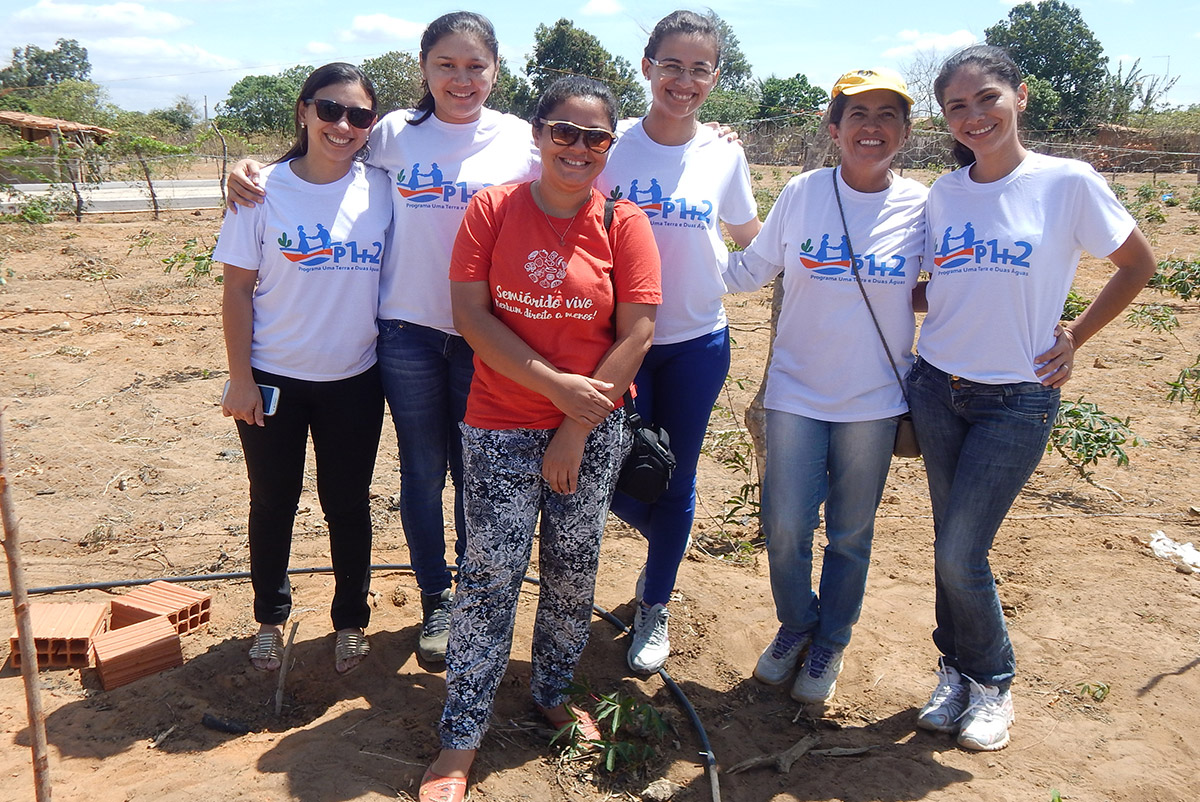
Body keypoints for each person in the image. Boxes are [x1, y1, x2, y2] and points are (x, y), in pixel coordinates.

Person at [226, 12, 539, 664]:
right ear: (423, 70)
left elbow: (595, 147)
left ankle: (477, 596)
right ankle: (436, 601)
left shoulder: (518, 139)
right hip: (406, 336)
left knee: (476, 476)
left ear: (495, 71)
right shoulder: (394, 134)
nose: (461, 78)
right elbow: (313, 166)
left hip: (486, 336)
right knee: (421, 475)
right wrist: (244, 169)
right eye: (445, 65)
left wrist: (708, 132)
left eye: (475, 65)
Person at [418, 76, 661, 802]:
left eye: (595, 137)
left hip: (591, 431)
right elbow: (471, 315)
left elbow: (639, 331)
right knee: (489, 578)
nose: (579, 148)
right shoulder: (493, 209)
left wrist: (573, 428)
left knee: (570, 571)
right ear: (538, 133)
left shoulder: (625, 223)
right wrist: (556, 391)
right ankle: (460, 737)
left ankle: (552, 691)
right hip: (498, 423)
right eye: (564, 131)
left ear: (609, 147)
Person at [908, 44, 1155, 751]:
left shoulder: (1066, 183)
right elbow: (939, 283)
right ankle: (954, 671)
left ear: (1020, 95)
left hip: (1017, 396)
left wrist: (1076, 334)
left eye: (987, 97)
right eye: (957, 106)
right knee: (949, 543)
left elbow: (1139, 263)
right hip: (937, 384)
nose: (974, 115)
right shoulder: (946, 193)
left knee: (962, 550)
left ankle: (993, 683)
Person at [721, 68, 926, 704]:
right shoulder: (805, 193)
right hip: (796, 394)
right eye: (857, 115)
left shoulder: (923, 205)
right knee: (784, 526)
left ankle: (831, 638)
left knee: (849, 532)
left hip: (873, 402)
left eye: (887, 115)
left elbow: (947, 285)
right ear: (833, 128)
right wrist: (667, 251)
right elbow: (751, 270)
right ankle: (797, 624)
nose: (872, 127)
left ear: (905, 131)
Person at [597, 9, 761, 674]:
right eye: (672, 65)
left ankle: (655, 601)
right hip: (617, 345)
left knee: (678, 476)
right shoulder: (609, 144)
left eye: (699, 69)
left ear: (714, 77)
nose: (684, 80)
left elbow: (752, 238)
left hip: (697, 343)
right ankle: (667, 539)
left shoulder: (724, 154)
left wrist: (727, 279)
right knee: (601, 472)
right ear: (647, 68)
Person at [216, 63, 391, 675]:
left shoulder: (383, 190)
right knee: (272, 503)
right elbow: (237, 290)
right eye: (330, 110)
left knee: (347, 503)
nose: (343, 125)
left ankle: (350, 622)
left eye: (359, 116)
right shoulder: (262, 190)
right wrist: (241, 379)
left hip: (355, 380)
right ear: (304, 112)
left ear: (371, 125)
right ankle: (269, 617)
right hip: (273, 379)